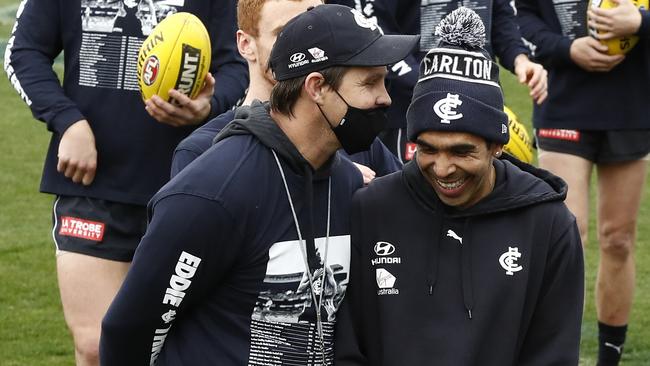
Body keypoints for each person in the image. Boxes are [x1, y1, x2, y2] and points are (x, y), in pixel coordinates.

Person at [99, 4, 419, 365]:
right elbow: (129, 331)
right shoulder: (212, 191)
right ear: (316, 88)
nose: (386, 99)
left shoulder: (345, 177)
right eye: (369, 83)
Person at [334, 8, 584, 365]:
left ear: (498, 146)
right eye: (428, 148)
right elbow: (347, 347)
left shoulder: (549, 225)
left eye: (462, 151)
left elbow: (553, 355)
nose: (443, 168)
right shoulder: (370, 209)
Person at [3, 1, 247, 365]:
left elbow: (240, 61)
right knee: (95, 346)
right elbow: (23, 52)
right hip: (92, 186)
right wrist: (67, 121)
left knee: (180, 343)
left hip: (190, 188)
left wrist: (211, 105)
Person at [516, 1, 650, 364]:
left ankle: (610, 358)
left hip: (632, 108)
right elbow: (521, 15)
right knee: (565, 236)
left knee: (618, 238)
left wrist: (640, 21)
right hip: (563, 104)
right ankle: (553, 356)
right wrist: (566, 48)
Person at [170, 0, 401, 182]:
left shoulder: (355, 132)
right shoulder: (204, 149)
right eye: (285, 33)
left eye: (316, 32)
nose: (305, 46)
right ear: (245, 45)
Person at [328, 0, 547, 163]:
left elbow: (500, 17)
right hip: (413, 112)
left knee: (479, 206)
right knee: (416, 205)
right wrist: (430, 83)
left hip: (481, 108)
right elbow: (377, 30)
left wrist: (520, 59)